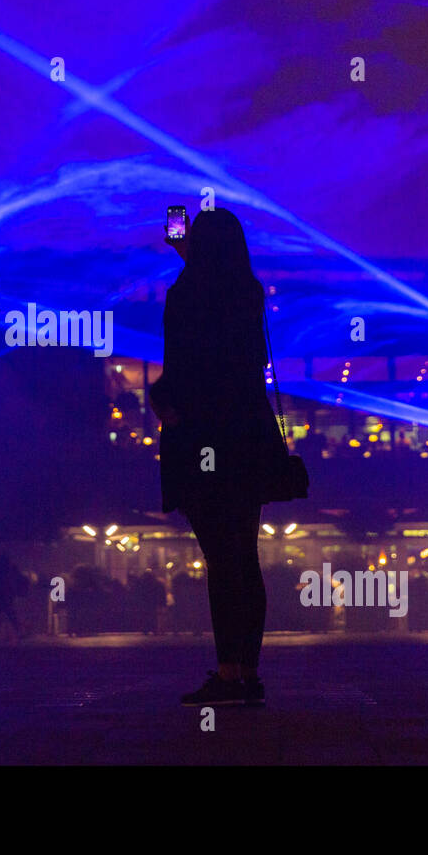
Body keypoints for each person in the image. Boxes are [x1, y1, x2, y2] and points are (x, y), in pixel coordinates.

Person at [149, 208, 280, 708]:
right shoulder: (248, 292)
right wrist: (193, 258)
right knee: (244, 555)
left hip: (201, 434)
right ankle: (247, 671)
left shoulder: (186, 294)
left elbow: (184, 363)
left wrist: (162, 401)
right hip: (246, 433)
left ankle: (227, 674)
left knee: (220, 557)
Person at [0, 553, 28, 641]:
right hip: (6, 595)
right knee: (11, 615)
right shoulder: (9, 570)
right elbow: (15, 579)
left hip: (0, 596)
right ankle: (20, 632)